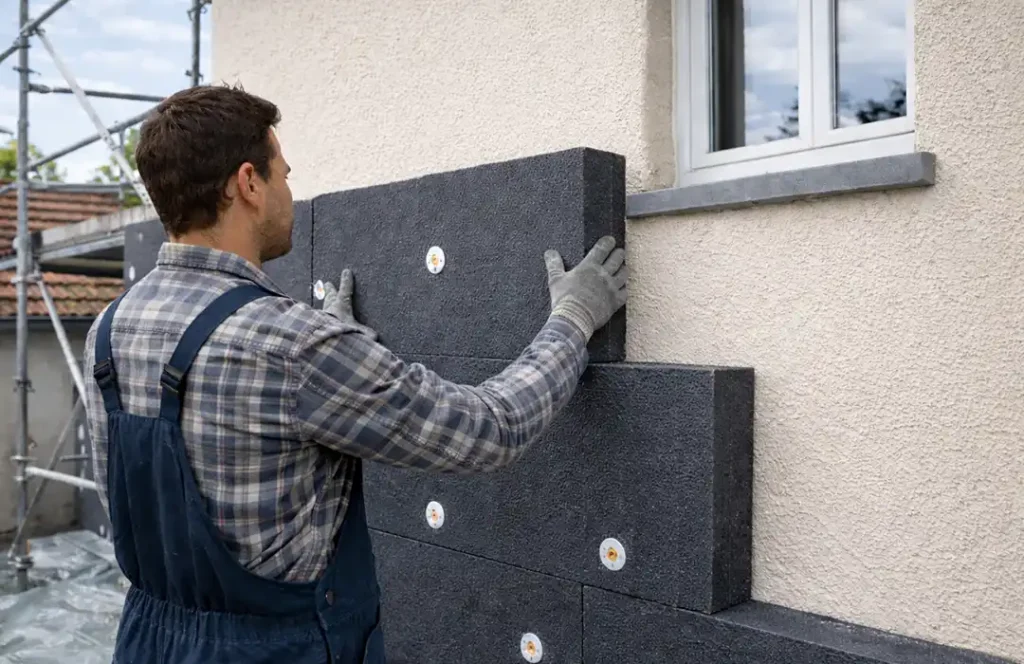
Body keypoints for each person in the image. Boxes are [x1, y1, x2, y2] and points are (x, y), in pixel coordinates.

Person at [82, 84, 627, 664]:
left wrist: (335, 355)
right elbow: (488, 430)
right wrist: (574, 317)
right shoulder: (295, 347)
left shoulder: (109, 331)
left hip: (147, 642)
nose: (290, 192)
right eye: (283, 175)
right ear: (247, 184)